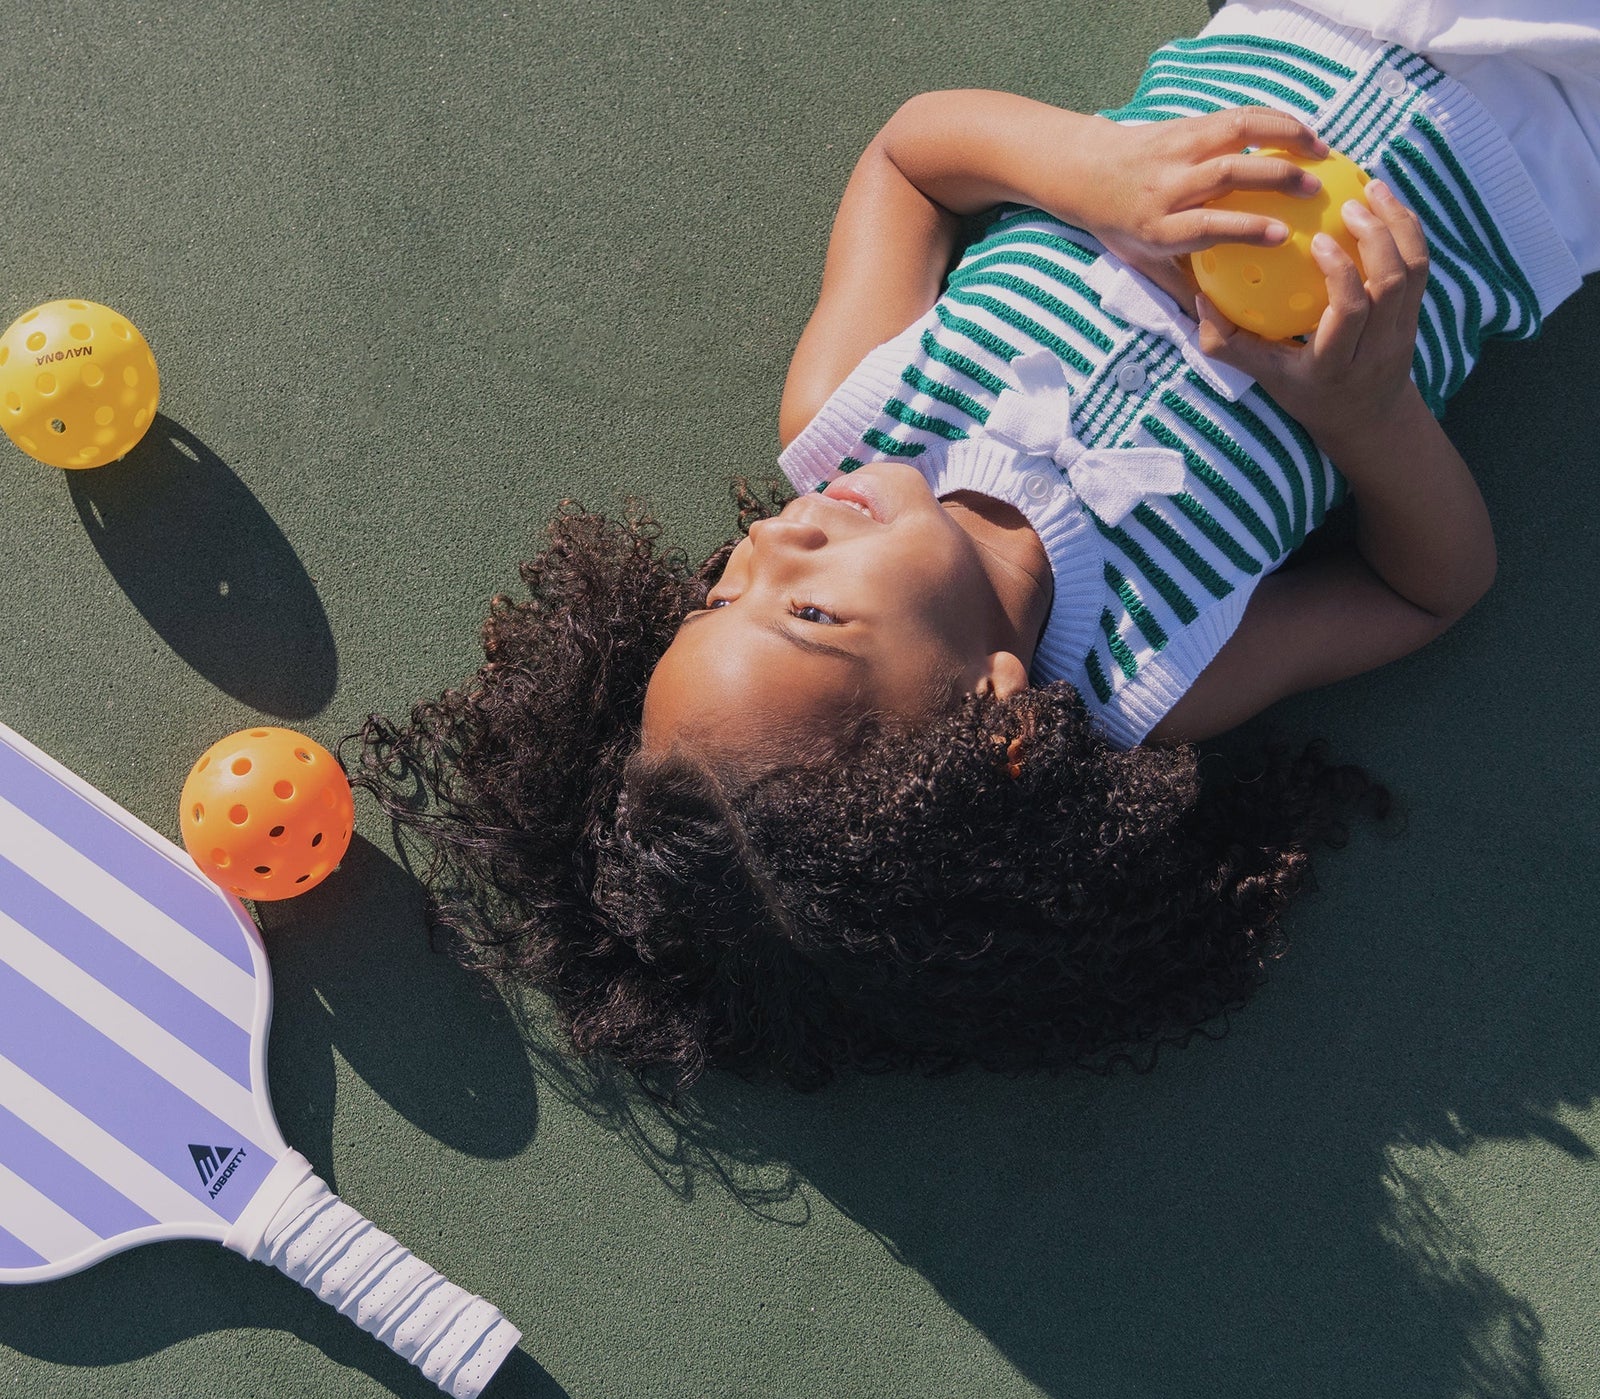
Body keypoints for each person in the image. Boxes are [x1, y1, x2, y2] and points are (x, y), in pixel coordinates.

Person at [356, 1, 1597, 1091]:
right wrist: (1367, 417)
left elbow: (912, 156)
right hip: (1549, 158)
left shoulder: (848, 415)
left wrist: (1093, 170)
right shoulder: (1156, 669)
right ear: (990, 725)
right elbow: (1428, 588)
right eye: (809, 613)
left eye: (719, 587)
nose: (776, 542)